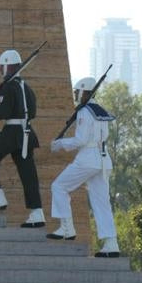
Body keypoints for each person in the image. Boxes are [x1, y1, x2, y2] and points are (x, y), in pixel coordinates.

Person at [49, 77, 119, 257]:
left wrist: (60, 144)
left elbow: (80, 140)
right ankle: (111, 244)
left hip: (88, 158)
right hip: (104, 159)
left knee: (59, 186)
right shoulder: (99, 110)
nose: (75, 95)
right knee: (102, 203)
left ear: (85, 92)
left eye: (77, 92)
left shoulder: (84, 112)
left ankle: (67, 228)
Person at [0, 50, 45, 227]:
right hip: (27, 133)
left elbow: (2, 112)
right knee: (28, 175)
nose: (0, 69)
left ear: (8, 65)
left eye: (2, 66)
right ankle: (37, 213)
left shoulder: (8, 86)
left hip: (13, 132)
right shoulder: (26, 88)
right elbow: (32, 112)